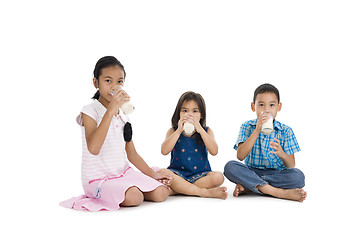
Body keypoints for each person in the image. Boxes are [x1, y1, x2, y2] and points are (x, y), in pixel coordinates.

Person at [60, 56, 171, 211]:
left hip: (122, 173)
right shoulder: (89, 112)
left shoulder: (124, 115)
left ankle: (132, 187)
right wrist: (111, 109)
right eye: (108, 81)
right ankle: (128, 190)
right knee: (135, 196)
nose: (114, 86)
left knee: (161, 192)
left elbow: (131, 153)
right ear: (95, 83)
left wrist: (152, 175)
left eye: (119, 81)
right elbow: (94, 148)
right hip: (97, 180)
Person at [224, 83, 307, 202]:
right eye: (261, 105)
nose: (266, 110)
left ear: (279, 107)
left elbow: (291, 165)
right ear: (253, 107)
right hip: (252, 171)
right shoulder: (247, 126)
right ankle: (275, 191)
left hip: (276, 174)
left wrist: (282, 154)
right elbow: (240, 156)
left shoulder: (285, 130)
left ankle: (251, 187)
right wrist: (257, 130)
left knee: (298, 177)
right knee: (230, 167)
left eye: (272, 105)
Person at [158, 91, 228, 199]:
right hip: (177, 174)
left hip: (200, 175)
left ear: (201, 115)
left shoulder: (206, 131)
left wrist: (200, 129)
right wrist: (179, 131)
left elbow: (214, 151)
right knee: (162, 172)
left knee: (218, 177)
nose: (189, 114)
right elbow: (164, 151)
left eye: (195, 111)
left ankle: (179, 189)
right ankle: (201, 191)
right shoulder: (173, 131)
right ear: (179, 113)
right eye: (185, 110)